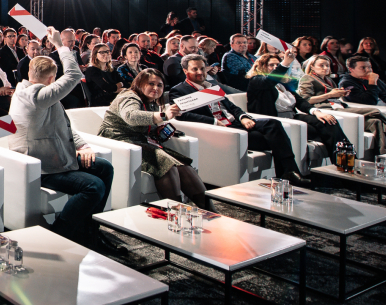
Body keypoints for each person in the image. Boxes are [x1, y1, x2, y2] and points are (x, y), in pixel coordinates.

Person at [8, 28, 118, 251]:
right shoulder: (37, 95)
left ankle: (89, 230)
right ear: (52, 79)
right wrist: (60, 46)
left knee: (104, 167)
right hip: (41, 165)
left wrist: (83, 145)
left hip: (57, 156)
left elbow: (65, 124)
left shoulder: (38, 92)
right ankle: (61, 234)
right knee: (93, 186)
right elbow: (74, 75)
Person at [172, 54, 309, 185]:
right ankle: (288, 173)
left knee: (273, 124)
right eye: (195, 69)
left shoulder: (211, 86)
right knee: (276, 139)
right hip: (222, 130)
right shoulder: (179, 90)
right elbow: (183, 115)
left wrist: (243, 117)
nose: (200, 72)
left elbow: (232, 107)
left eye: (202, 68)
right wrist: (214, 122)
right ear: (185, 71)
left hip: (236, 123)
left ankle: (288, 173)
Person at [98, 70, 211, 209]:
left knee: (183, 166)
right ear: (140, 83)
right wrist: (163, 115)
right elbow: (131, 116)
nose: (156, 88)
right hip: (118, 140)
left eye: (160, 85)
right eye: (151, 84)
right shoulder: (128, 96)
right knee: (166, 164)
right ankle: (175, 211)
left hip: (140, 141)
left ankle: (210, 210)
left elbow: (146, 125)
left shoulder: (151, 102)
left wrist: (157, 131)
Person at [296, 54, 386, 158]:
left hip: (339, 107)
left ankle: (385, 155)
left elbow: (333, 96)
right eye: (322, 65)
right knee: (376, 112)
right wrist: (330, 95)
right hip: (328, 110)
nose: (326, 68)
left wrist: (340, 94)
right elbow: (306, 100)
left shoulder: (328, 80)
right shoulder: (307, 78)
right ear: (312, 66)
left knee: (376, 121)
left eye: (328, 65)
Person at [245, 52, 344, 155]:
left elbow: (300, 101)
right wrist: (285, 63)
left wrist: (316, 112)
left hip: (292, 116)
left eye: (277, 65)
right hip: (276, 120)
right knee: (318, 131)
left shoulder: (282, 84)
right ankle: (341, 156)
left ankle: (344, 155)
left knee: (328, 121)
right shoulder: (256, 81)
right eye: (271, 65)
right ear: (261, 67)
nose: (275, 67)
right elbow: (269, 81)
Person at [82, 43, 121, 107]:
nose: (106, 54)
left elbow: (124, 83)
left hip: (114, 97)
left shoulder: (112, 69)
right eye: (102, 52)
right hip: (100, 101)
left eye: (107, 52)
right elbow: (107, 88)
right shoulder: (92, 70)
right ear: (95, 55)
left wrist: (117, 86)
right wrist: (118, 86)